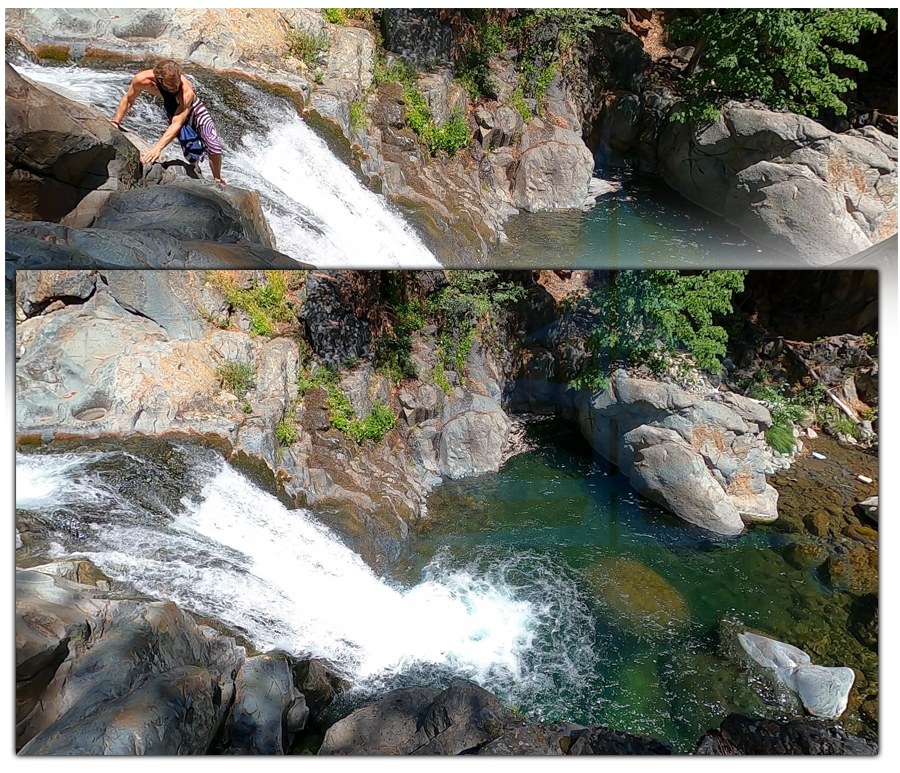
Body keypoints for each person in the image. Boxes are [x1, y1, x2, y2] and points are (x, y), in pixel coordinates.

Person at [112, 59, 226, 185]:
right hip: (173, 108)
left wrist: (157, 149)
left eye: (177, 83)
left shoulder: (186, 91)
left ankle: (217, 179)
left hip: (194, 108)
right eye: (170, 85)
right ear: (159, 79)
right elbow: (129, 99)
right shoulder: (142, 80)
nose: (175, 87)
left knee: (213, 144)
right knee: (190, 148)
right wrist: (116, 122)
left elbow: (177, 123)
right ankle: (195, 168)